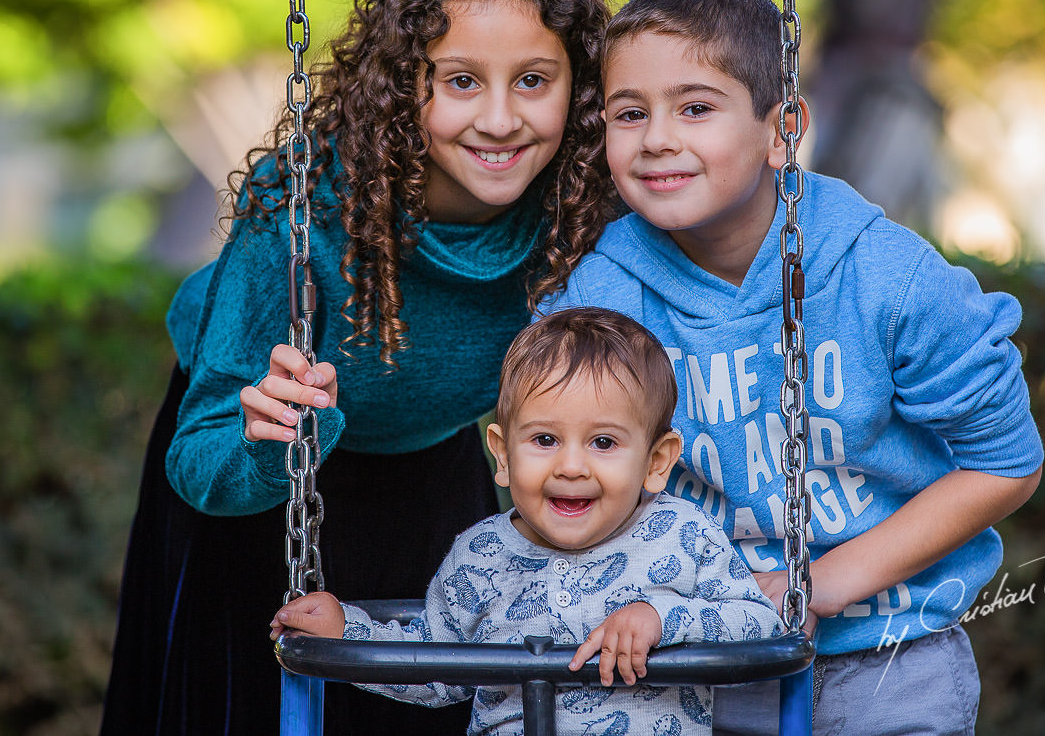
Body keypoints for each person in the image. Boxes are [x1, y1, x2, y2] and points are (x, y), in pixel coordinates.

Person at [101, 0, 614, 736]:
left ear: (578, 86)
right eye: (459, 81)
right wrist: (268, 442)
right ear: (404, 80)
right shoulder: (304, 214)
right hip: (265, 483)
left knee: (434, 704)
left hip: (434, 461)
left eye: (532, 80)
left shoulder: (582, 208)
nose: (498, 120)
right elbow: (197, 459)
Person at [538, 0, 1045, 736]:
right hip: (695, 659)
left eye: (697, 108)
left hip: (890, 656)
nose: (657, 138)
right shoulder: (605, 298)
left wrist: (819, 584)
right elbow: (544, 452)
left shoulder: (888, 280)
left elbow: (1007, 461)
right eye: (629, 113)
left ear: (783, 130)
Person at [271, 307, 787, 736]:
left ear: (656, 461)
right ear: (502, 453)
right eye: (544, 440)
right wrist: (347, 632)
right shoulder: (480, 556)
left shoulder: (683, 534)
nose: (570, 466)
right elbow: (434, 668)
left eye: (603, 443)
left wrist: (662, 616)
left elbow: (761, 626)